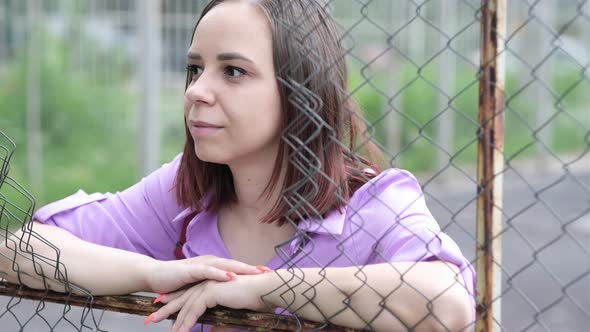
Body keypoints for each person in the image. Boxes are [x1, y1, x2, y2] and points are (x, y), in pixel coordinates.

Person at [1, 0, 475, 331]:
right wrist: (151, 273)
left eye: (233, 71)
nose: (196, 91)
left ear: (300, 92)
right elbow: (18, 250)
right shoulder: (187, 195)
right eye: (194, 69)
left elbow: (447, 302)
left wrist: (264, 290)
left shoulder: (372, 203)